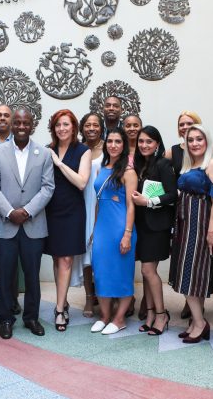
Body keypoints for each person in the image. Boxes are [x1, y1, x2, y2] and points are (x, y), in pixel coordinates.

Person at [0, 108, 55, 340]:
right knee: (5, 275)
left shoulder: (44, 153)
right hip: (4, 225)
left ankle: (31, 318)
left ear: (32, 125)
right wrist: (9, 212)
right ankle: (6, 319)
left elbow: (48, 187)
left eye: (26, 123)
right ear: (12, 125)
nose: (21, 126)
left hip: (33, 224)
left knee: (32, 275)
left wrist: (26, 211)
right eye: (17, 122)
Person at [169, 124, 213, 343]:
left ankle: (200, 323)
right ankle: (195, 321)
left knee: (191, 274)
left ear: (207, 140)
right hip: (185, 223)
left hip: (200, 224)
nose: (194, 143)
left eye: (199, 139)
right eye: (190, 140)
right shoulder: (190, 163)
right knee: (192, 274)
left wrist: (211, 231)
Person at [44, 109, 91, 331]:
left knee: (66, 260)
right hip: (51, 210)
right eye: (58, 125)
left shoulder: (83, 151)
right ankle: (62, 301)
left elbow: (81, 182)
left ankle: (59, 309)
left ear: (73, 127)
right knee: (57, 259)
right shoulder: (47, 149)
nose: (61, 128)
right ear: (53, 129)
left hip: (72, 211)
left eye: (66, 124)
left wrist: (59, 163)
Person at [90, 128, 137, 335]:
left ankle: (119, 319)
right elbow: (98, 202)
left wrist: (127, 234)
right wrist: (94, 229)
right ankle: (104, 316)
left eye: (118, 141)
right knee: (100, 272)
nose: (113, 145)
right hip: (102, 228)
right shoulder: (101, 168)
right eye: (110, 141)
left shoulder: (128, 171)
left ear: (124, 145)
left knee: (122, 274)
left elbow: (131, 205)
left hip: (121, 227)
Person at [131, 126, 176, 335]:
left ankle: (161, 314)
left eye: (149, 141)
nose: (144, 145)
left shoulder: (163, 164)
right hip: (140, 225)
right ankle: (150, 314)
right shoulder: (139, 164)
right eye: (141, 141)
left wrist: (148, 201)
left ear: (157, 143)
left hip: (157, 227)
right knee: (145, 272)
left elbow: (172, 195)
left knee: (148, 271)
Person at [164, 110, 202, 321]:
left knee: (198, 258)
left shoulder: (207, 149)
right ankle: (190, 301)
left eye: (189, 123)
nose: (185, 127)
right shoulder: (172, 152)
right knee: (184, 255)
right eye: (182, 124)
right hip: (180, 209)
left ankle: (197, 306)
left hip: (201, 209)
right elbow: (158, 172)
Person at [0, 104, 22, 316]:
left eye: (6, 115)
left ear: (11, 120)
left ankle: (13, 299)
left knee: (14, 261)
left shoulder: (20, 143)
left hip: (14, 213)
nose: (2, 118)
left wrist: (12, 211)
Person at [74, 113, 104, 318]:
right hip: (82, 202)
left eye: (96, 125)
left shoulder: (109, 147)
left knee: (102, 253)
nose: (92, 128)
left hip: (103, 203)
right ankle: (88, 297)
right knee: (86, 254)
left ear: (101, 128)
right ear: (82, 128)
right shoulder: (78, 149)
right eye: (88, 125)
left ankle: (105, 296)